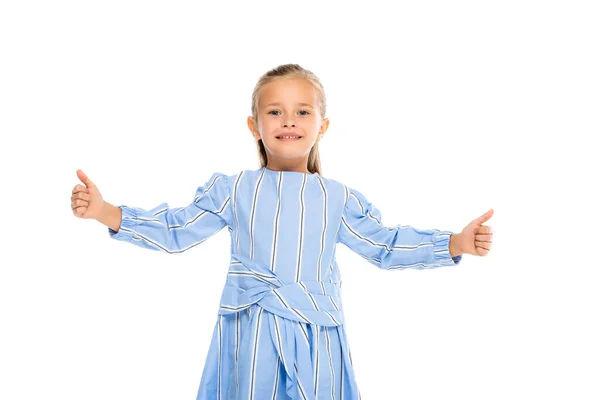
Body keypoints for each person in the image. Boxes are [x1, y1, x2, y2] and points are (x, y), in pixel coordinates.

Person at [70, 63, 494, 400]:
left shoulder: (337, 198)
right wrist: (106, 211)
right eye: (274, 111)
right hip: (250, 330)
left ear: (322, 126)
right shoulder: (234, 189)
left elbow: (384, 244)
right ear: (254, 125)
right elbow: (177, 228)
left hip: (317, 335)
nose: (288, 120)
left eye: (302, 111)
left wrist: (454, 243)